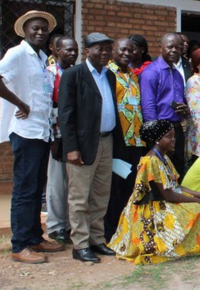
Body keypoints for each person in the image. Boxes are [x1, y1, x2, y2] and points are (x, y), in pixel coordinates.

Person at [0, 10, 64, 264]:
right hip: (25, 131)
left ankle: (34, 238)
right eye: (35, 28)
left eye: (44, 29)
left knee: (35, 188)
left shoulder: (41, 58)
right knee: (24, 191)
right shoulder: (17, 53)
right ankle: (19, 245)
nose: (40, 32)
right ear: (25, 31)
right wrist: (20, 103)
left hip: (40, 131)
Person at [109, 120, 200, 265]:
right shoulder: (151, 160)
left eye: (174, 136)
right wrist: (196, 201)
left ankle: (188, 243)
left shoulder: (162, 157)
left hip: (163, 201)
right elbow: (168, 195)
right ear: (157, 139)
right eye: (169, 137)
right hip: (151, 209)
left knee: (197, 205)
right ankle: (181, 244)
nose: (173, 140)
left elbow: (176, 186)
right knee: (195, 208)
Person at [59, 32, 118, 263]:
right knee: (79, 197)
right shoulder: (74, 75)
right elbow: (65, 115)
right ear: (87, 51)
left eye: (107, 49)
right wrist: (71, 148)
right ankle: (80, 244)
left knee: (101, 195)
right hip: (82, 146)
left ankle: (97, 239)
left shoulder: (109, 76)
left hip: (106, 141)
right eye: (99, 49)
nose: (104, 53)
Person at [104, 38, 147, 242]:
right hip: (118, 140)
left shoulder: (133, 75)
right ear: (113, 50)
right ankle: (110, 231)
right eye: (123, 50)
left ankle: (126, 228)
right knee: (116, 187)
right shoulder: (107, 74)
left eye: (131, 50)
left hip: (135, 140)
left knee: (130, 186)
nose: (127, 54)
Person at [140, 33, 189, 176]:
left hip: (176, 128)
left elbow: (180, 99)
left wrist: (185, 108)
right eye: (170, 47)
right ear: (160, 48)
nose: (174, 50)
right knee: (160, 174)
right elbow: (148, 106)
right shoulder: (151, 72)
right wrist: (156, 135)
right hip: (160, 130)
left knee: (177, 170)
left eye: (178, 47)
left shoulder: (177, 74)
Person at [45, 35, 78, 245]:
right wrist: (54, 139)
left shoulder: (77, 73)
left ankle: (68, 224)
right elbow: (48, 107)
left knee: (72, 184)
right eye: (68, 50)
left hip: (75, 135)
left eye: (75, 50)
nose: (72, 53)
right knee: (57, 184)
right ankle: (55, 226)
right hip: (57, 135)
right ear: (57, 51)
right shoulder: (50, 74)